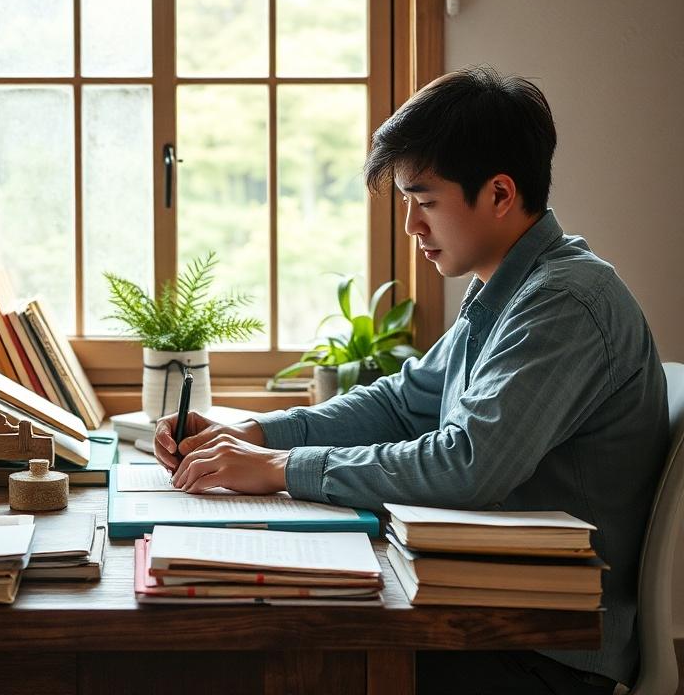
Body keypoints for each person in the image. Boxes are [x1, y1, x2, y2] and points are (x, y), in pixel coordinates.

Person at [154, 66, 669, 694]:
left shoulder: (564, 304)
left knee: (261, 656)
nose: (411, 228)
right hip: (489, 618)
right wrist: (256, 431)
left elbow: (468, 465)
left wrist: (283, 467)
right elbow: (403, 404)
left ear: (500, 194)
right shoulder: (503, 292)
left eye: (425, 203)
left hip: (543, 656)